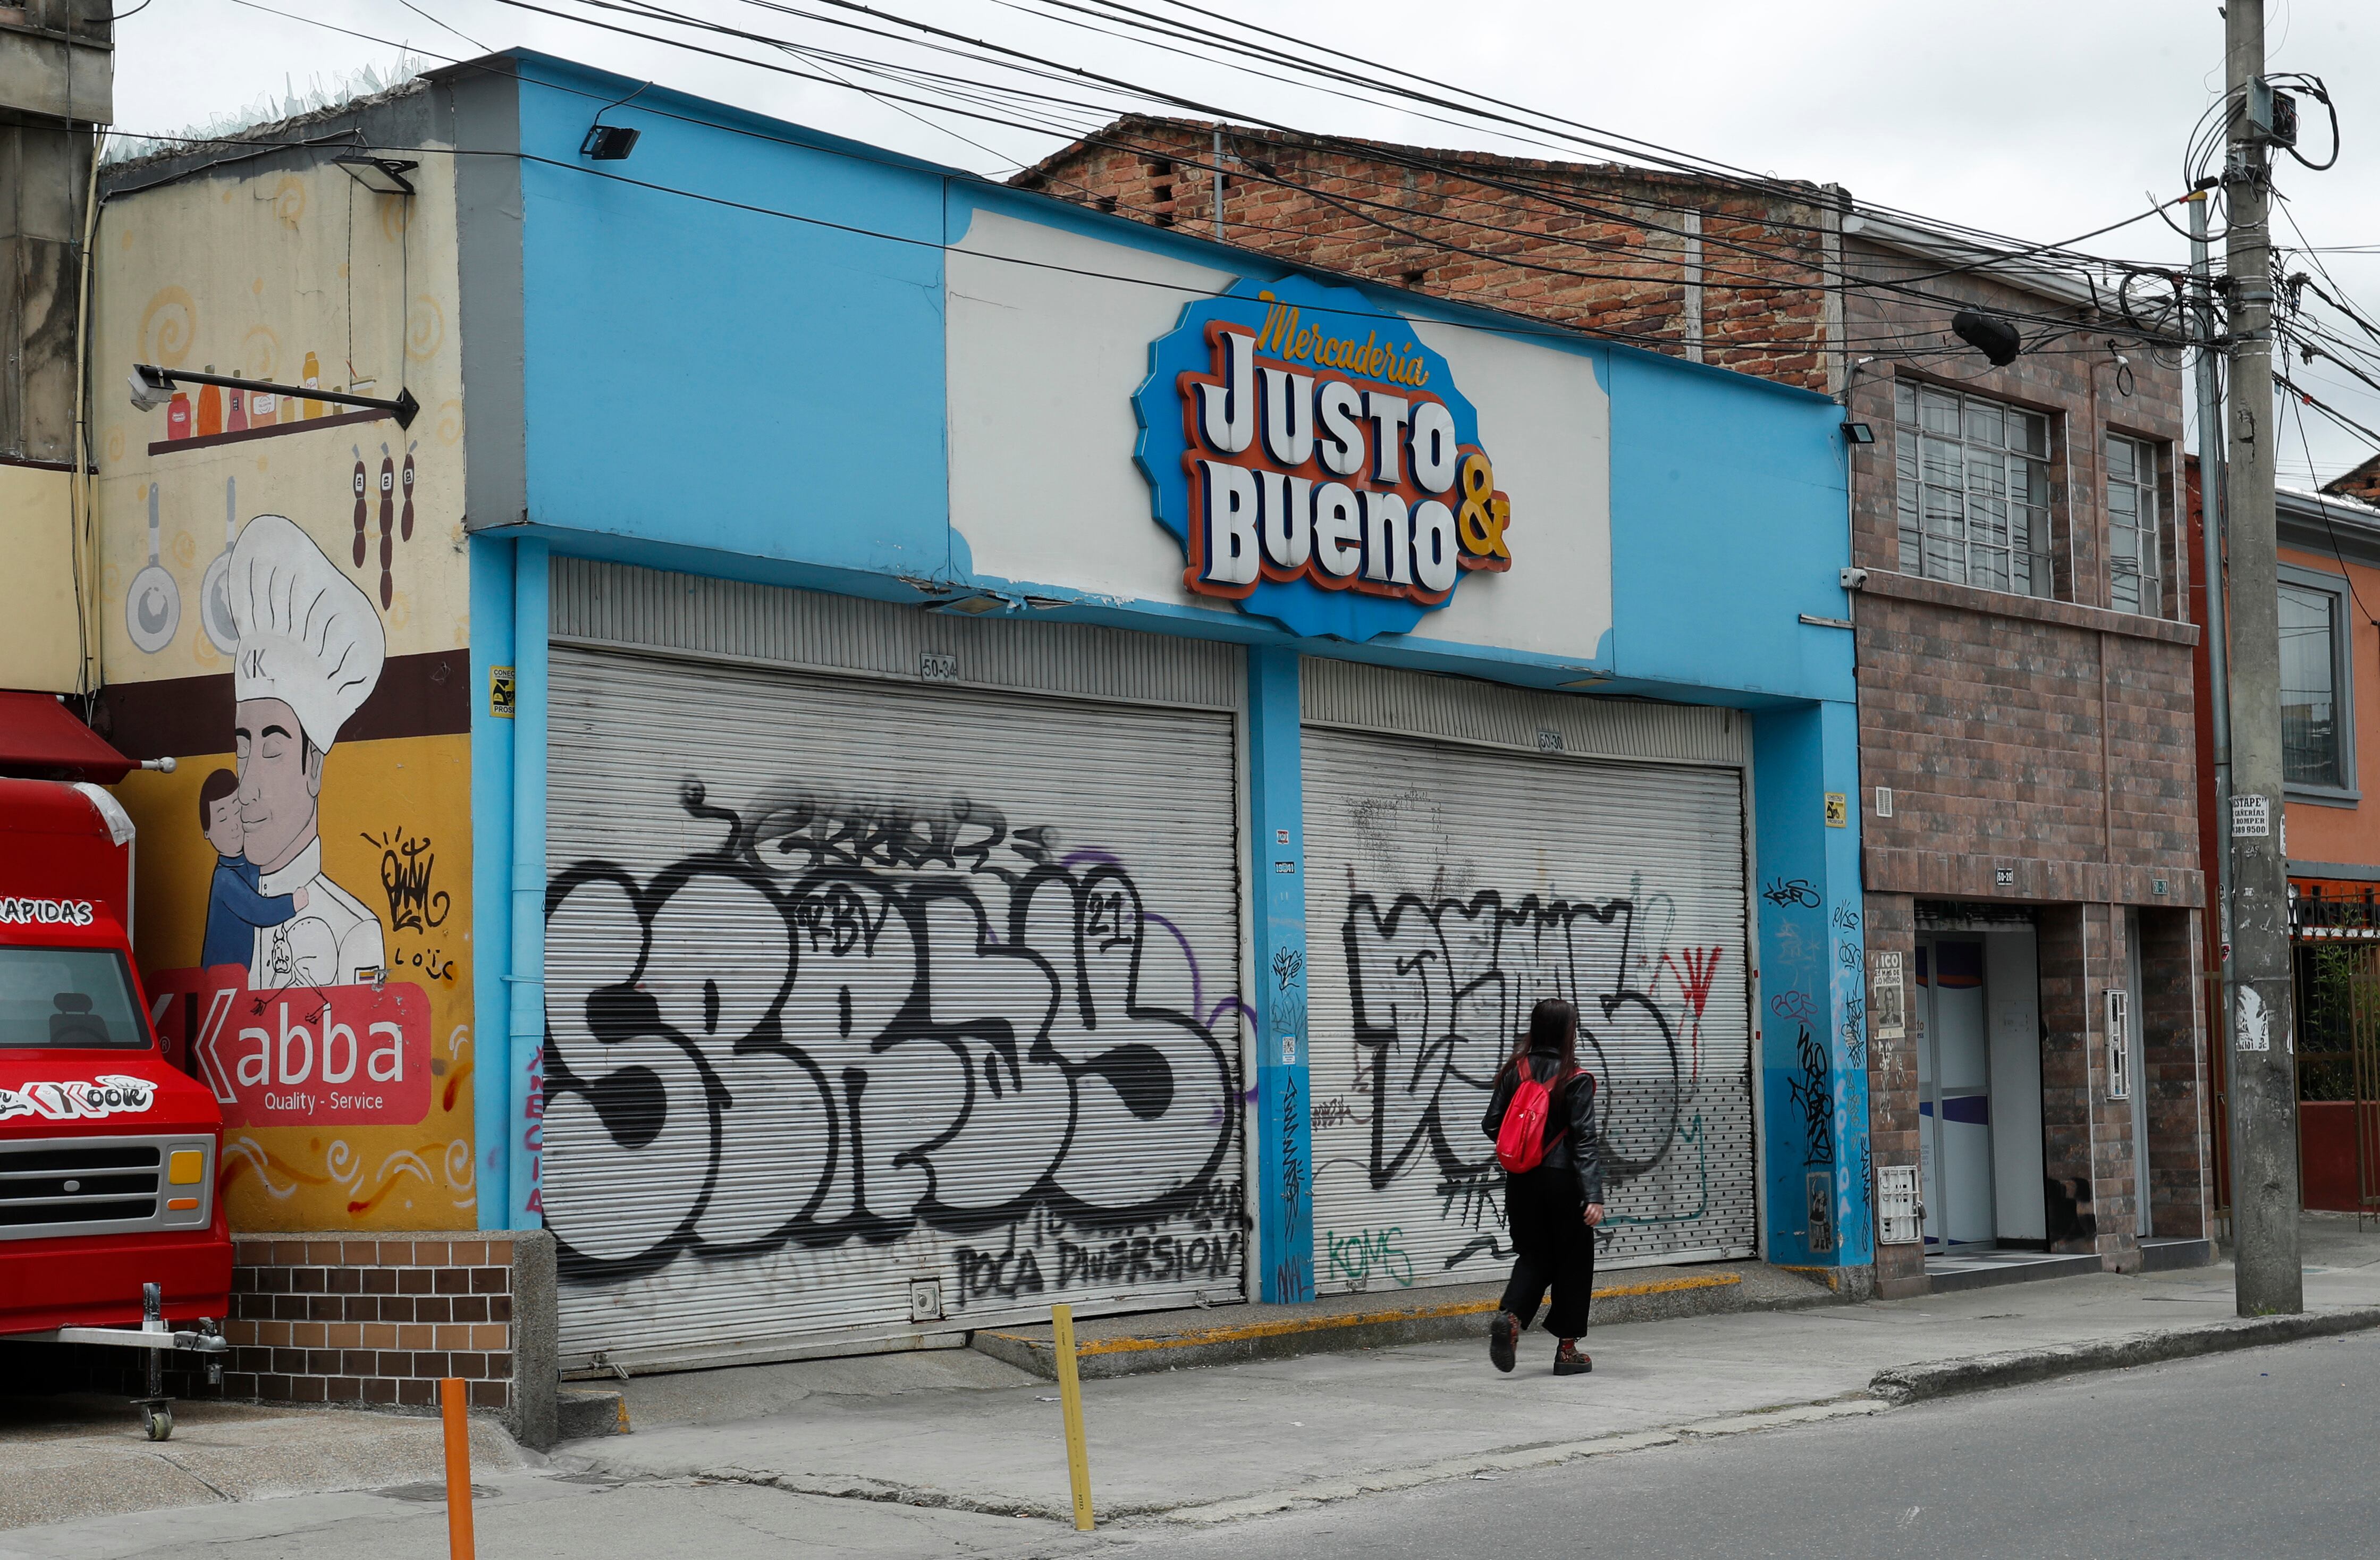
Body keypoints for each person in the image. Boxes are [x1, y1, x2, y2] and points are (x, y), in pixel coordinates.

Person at [224, 513, 388, 988]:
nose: (247, 784)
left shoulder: (351, 932)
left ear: (313, 767)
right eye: (242, 748)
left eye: (273, 749)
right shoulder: (232, 911)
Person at [1481, 996, 1606, 1377]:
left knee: (1534, 1254)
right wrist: (1593, 1195)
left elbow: (1491, 1125)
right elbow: (1584, 1140)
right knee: (1574, 1261)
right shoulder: (1577, 1077)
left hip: (1522, 1181)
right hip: (1563, 1182)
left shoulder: (1514, 1071)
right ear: (1569, 1031)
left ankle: (1513, 1317)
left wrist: (1524, 1139)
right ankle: (1567, 1351)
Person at [197, 768, 306, 970]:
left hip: (244, 971)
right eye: (222, 818)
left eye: (237, 812)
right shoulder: (224, 879)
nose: (234, 825)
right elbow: (256, 909)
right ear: (207, 832)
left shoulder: (249, 862)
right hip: (222, 975)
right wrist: (292, 903)